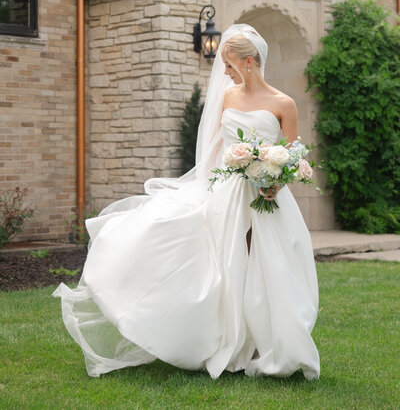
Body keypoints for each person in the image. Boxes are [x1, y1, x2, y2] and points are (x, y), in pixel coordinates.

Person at [53, 24, 320, 380]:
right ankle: (226, 339)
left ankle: (265, 344)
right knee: (225, 263)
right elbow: (214, 151)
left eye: (230, 65)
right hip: (227, 193)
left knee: (266, 266)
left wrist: (275, 183)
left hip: (265, 198)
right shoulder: (227, 98)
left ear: (249, 62)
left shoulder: (284, 104)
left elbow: (290, 156)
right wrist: (204, 188)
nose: (224, 73)